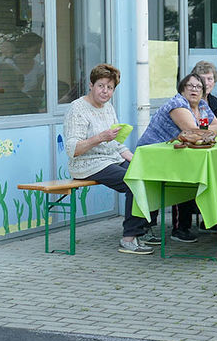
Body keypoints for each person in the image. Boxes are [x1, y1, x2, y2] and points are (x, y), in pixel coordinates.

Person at [63, 63, 152, 255]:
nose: (105, 91)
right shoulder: (77, 108)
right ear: (91, 85)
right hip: (87, 164)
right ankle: (129, 238)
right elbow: (72, 149)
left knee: (146, 173)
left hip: (110, 158)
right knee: (133, 180)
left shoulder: (108, 107)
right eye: (101, 85)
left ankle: (143, 229)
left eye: (110, 88)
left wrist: (136, 159)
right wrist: (100, 137)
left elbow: (116, 145)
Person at [137, 73, 217, 243]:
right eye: (190, 86)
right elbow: (194, 131)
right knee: (164, 184)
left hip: (172, 154)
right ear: (182, 89)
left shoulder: (202, 105)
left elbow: (215, 124)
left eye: (199, 87)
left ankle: (184, 227)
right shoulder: (178, 104)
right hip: (150, 154)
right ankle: (143, 229)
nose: (195, 90)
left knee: (190, 175)